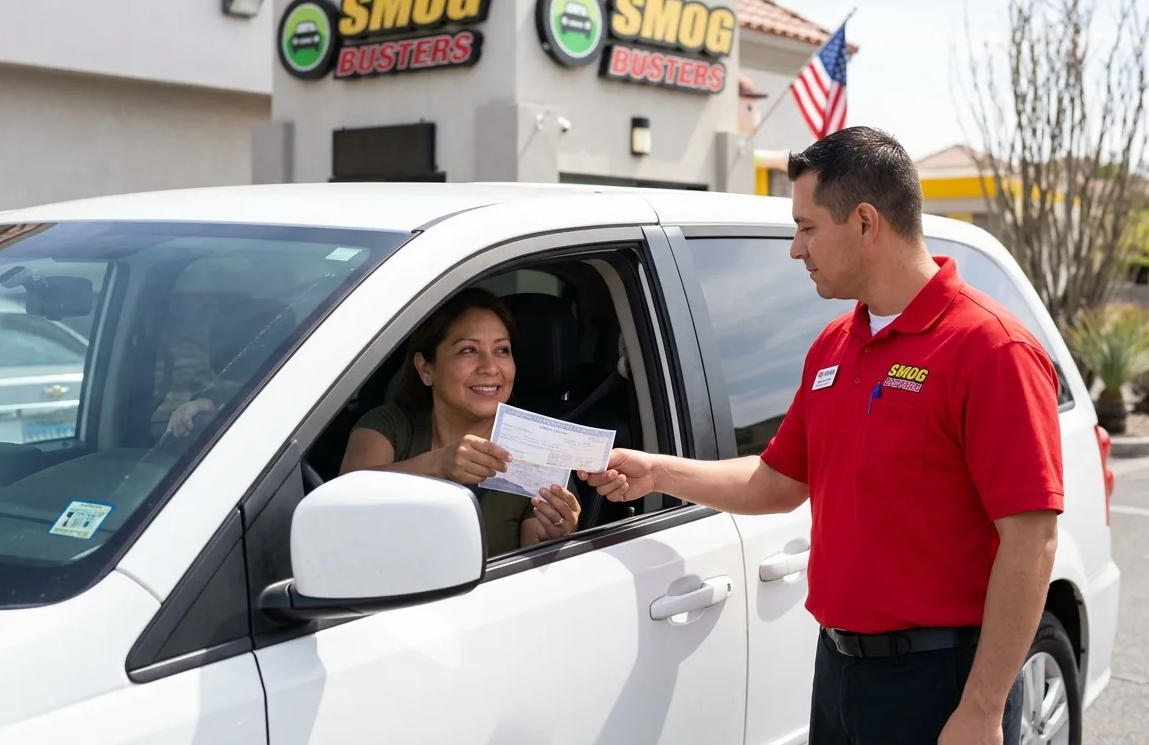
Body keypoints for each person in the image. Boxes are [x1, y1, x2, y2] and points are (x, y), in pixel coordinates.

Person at [581, 126, 1062, 745]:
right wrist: (660, 472)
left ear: (865, 222)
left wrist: (982, 709)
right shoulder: (836, 344)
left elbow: (1031, 541)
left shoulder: (992, 349)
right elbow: (779, 481)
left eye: (807, 227)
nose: (794, 249)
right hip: (839, 672)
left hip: (939, 682)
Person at [340, 287, 582, 558]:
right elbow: (341, 506)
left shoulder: (537, 445)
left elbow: (532, 547)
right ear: (425, 368)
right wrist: (438, 465)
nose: (490, 367)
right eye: (468, 350)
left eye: (502, 350)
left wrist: (554, 530)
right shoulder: (388, 426)